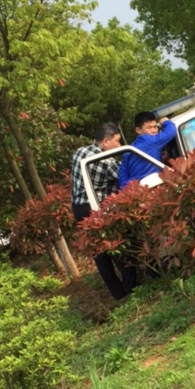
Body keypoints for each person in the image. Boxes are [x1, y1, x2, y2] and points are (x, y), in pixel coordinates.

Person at [71, 121, 137, 300]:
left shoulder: (79, 152)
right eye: (117, 140)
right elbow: (125, 181)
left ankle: (118, 293)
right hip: (95, 208)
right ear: (106, 141)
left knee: (99, 253)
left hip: (79, 208)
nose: (120, 145)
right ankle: (132, 287)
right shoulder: (107, 162)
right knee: (116, 244)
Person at [118, 111, 178, 188]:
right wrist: (165, 121)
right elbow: (171, 131)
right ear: (138, 130)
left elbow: (123, 180)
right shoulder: (151, 140)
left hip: (135, 190)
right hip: (151, 187)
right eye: (149, 127)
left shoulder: (127, 151)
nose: (154, 130)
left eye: (155, 127)